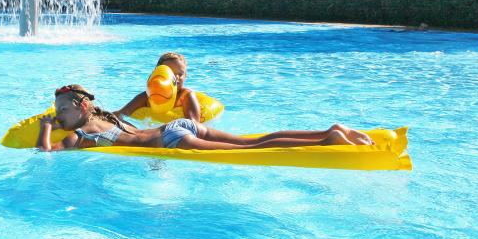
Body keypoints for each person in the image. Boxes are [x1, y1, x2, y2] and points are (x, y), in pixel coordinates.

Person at [39, 85, 373, 151]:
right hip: (178, 127)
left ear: (82, 109)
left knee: (250, 149)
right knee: (253, 140)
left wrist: (44, 129)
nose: (58, 117)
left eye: (62, 111)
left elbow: (46, 155)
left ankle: (328, 138)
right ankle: (328, 130)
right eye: (56, 114)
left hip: (173, 138)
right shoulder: (111, 118)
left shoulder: (81, 135)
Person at [115, 52, 202, 122]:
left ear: (186, 76)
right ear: (158, 74)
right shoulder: (146, 96)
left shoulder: (186, 96)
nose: (176, 77)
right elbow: (121, 114)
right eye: (170, 73)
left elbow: (194, 124)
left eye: (180, 74)